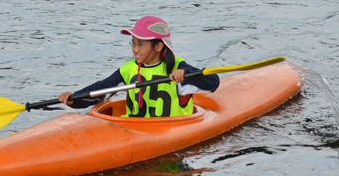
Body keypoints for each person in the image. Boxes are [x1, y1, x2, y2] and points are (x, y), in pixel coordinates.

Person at [57, 16, 219, 117]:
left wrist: (186, 73)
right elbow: (101, 90)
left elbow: (213, 82)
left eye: (140, 44)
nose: (135, 49)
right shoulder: (128, 70)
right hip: (136, 129)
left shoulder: (177, 67)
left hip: (171, 130)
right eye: (133, 43)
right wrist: (73, 99)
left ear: (158, 46)